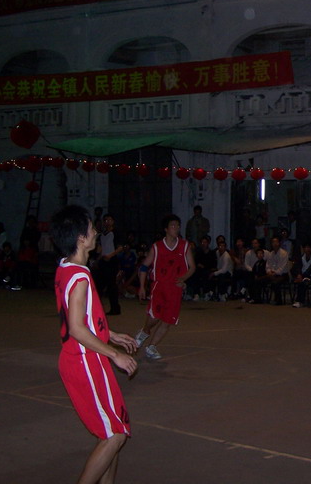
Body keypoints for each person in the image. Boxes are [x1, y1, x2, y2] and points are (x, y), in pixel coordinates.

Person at [50, 205, 137, 484]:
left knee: (113, 431)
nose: (95, 232)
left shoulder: (65, 267)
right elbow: (76, 328)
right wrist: (114, 354)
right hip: (85, 361)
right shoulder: (80, 276)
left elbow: (84, 317)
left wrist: (110, 334)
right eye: (91, 228)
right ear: (80, 238)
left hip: (84, 358)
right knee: (116, 435)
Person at [134, 214, 195, 361]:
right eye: (173, 226)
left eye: (178, 226)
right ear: (166, 229)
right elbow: (144, 267)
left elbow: (192, 267)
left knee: (168, 320)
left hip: (175, 289)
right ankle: (144, 332)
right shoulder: (157, 247)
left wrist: (183, 278)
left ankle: (152, 346)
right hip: (159, 286)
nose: (176, 228)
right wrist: (141, 286)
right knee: (155, 316)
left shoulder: (184, 246)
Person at [95, 214, 123, 316]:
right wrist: (98, 260)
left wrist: (110, 255)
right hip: (103, 260)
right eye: (105, 220)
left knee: (111, 285)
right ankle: (96, 307)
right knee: (99, 285)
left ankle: (115, 308)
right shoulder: (102, 235)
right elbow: (101, 249)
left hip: (111, 261)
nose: (107, 222)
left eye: (109, 220)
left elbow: (120, 248)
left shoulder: (115, 233)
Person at [265, 236, 290, 305]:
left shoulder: (284, 253)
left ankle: (279, 300)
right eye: (273, 242)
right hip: (272, 274)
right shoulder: (271, 254)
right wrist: (269, 271)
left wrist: (274, 273)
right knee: (260, 279)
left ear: (279, 243)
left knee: (275, 282)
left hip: (283, 275)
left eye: (276, 242)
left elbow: (282, 268)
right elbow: (268, 265)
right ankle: (257, 298)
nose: (275, 244)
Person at [291, 242, 311, 308]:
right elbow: (296, 267)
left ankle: (299, 301)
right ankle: (299, 301)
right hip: (302, 276)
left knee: (302, 282)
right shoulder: (301, 257)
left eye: (309, 247)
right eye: (306, 247)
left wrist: (301, 277)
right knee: (302, 281)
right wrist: (299, 274)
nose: (307, 249)